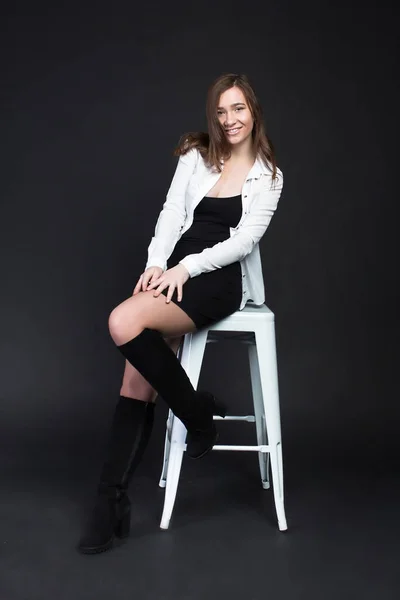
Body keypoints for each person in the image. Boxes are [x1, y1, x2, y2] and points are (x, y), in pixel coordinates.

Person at [77, 73, 284, 554]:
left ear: (253, 110)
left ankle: (194, 414)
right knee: (134, 381)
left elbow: (243, 242)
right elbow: (172, 213)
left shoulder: (269, 175)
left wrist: (186, 269)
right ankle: (112, 503)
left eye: (238, 109)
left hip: (215, 279)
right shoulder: (197, 155)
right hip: (174, 271)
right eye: (221, 111)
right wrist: (156, 264)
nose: (229, 120)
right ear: (213, 115)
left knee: (122, 321)